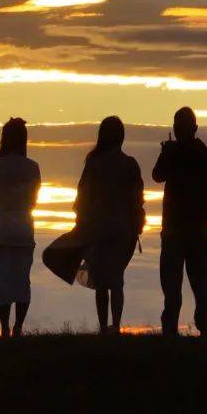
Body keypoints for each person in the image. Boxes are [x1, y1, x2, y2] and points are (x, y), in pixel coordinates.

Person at [73, 116, 145, 334]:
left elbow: (82, 197)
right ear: (121, 137)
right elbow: (138, 198)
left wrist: (80, 226)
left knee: (101, 280)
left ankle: (104, 326)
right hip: (123, 230)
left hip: (98, 229)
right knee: (116, 278)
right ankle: (116, 324)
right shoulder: (130, 164)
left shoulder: (94, 163)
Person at [152, 107, 207, 337]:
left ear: (175, 129)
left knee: (172, 283)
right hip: (200, 228)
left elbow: (157, 175)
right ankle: (204, 329)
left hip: (174, 228)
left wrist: (166, 152)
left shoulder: (172, 154)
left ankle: (170, 329)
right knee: (200, 280)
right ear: (196, 129)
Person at [0, 118, 41, 338]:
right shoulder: (32, 167)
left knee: (2, 281)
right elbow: (33, 200)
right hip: (25, 229)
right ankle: (18, 327)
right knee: (22, 279)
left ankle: (5, 326)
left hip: (1, 230)